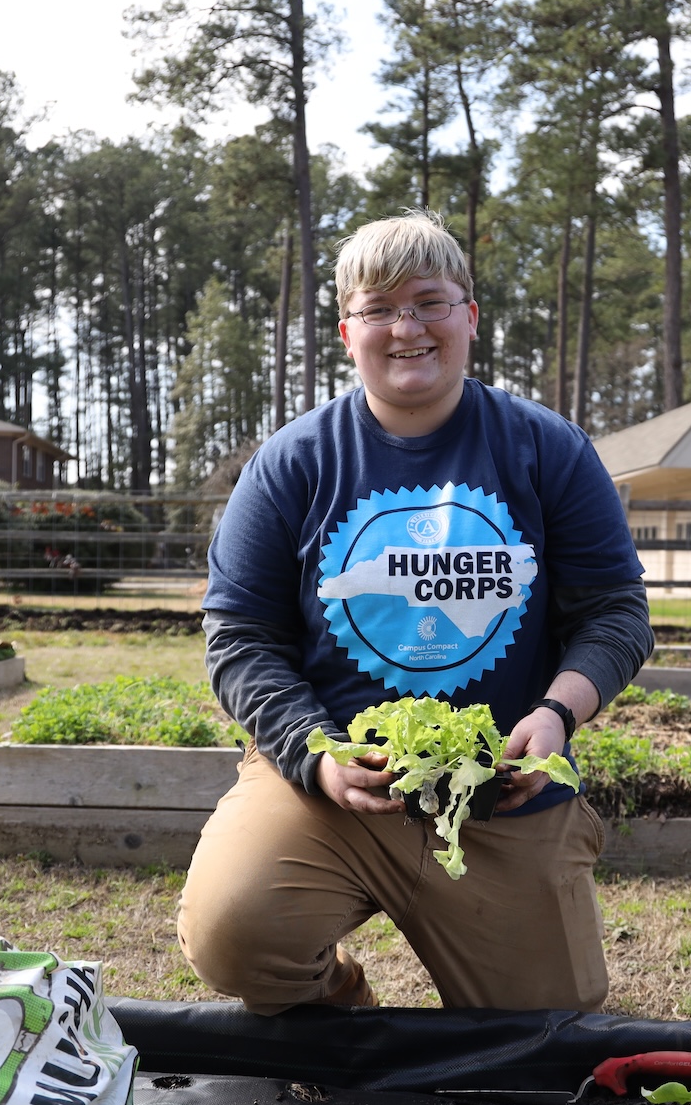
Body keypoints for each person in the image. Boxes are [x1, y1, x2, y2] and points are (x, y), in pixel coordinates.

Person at [178, 210, 653, 1014]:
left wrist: (555, 714)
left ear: (468, 316)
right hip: (328, 788)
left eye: (430, 302)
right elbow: (241, 637)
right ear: (346, 331)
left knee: (544, 1033)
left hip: (499, 792)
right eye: (379, 309)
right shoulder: (293, 463)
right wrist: (315, 754)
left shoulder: (547, 449)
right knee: (235, 932)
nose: (407, 328)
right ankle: (346, 1023)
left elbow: (615, 613)